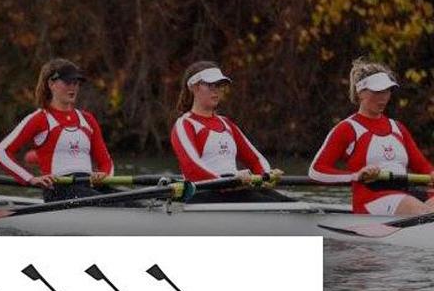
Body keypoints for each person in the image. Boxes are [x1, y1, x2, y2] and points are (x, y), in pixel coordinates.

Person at [309, 58, 434, 215]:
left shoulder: (398, 128)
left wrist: (432, 174)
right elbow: (316, 171)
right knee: (421, 210)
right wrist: (356, 176)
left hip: (405, 194)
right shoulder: (347, 129)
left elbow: (423, 167)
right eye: (377, 92)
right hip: (370, 200)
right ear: (360, 92)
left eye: (387, 91)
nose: (383, 97)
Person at [0, 58, 114, 202]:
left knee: (138, 203)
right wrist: (30, 179)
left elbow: (106, 163)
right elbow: (0, 153)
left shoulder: (88, 119)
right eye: (67, 82)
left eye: (76, 82)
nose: (73, 87)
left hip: (88, 187)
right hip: (59, 191)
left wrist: (103, 175)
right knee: (117, 204)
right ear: (51, 84)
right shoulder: (40, 119)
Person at [170, 61, 290, 203]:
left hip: (234, 189)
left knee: (289, 203)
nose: (216, 90)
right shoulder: (185, 125)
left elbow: (255, 159)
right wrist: (229, 181)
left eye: (219, 85)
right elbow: (192, 168)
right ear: (193, 87)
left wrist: (266, 175)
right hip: (204, 192)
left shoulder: (226, 124)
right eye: (210, 85)